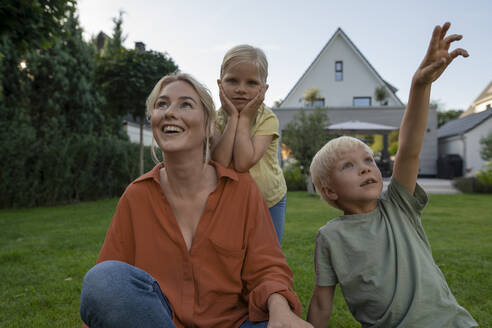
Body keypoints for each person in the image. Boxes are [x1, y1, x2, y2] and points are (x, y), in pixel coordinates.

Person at [80, 73, 313, 328]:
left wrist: (280, 310)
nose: (170, 112)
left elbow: (268, 268)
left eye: (185, 104)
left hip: (234, 325)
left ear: (209, 127)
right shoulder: (136, 196)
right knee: (102, 278)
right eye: (162, 104)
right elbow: (109, 290)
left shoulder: (241, 189)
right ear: (153, 121)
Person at [307, 22, 478, 327]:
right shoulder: (330, 238)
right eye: (347, 166)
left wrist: (420, 85)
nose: (364, 167)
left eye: (368, 160)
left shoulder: (398, 206)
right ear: (329, 190)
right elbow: (321, 301)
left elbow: (410, 148)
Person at [212, 45, 287, 243]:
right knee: (233, 255)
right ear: (220, 84)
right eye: (232, 80)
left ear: (263, 89)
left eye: (252, 83)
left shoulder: (268, 118)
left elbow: (243, 162)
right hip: (230, 200)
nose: (241, 89)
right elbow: (220, 160)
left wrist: (243, 118)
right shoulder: (214, 119)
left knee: (267, 259)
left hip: (269, 200)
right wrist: (232, 119)